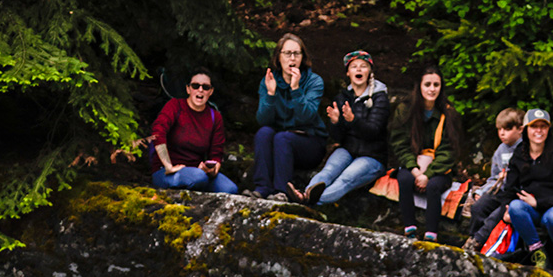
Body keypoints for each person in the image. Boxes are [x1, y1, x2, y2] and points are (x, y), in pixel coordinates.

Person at [290, 50, 389, 206]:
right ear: (348, 73)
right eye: (354, 66)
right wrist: (336, 122)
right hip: (348, 150)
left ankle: (308, 201)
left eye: (363, 66)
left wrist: (353, 120)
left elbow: (374, 131)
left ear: (370, 72)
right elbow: (338, 138)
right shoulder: (342, 97)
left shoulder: (380, 98)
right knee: (328, 172)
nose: (358, 70)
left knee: (347, 178)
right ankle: (306, 194)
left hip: (373, 156)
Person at [388, 66, 467, 242]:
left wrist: (428, 174)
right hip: (412, 163)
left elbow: (449, 150)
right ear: (420, 86)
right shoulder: (405, 109)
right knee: (405, 179)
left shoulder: (449, 113)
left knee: (433, 187)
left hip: (438, 168)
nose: (432, 89)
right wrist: (415, 170)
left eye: (436, 85)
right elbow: (400, 144)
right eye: (428, 84)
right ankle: (410, 229)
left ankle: (431, 234)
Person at [500, 109, 553, 273]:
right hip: (532, 212)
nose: (539, 131)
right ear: (526, 129)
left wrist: (538, 202)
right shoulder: (519, 154)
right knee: (515, 207)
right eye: (534, 127)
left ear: (548, 130)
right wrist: (506, 208)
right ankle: (538, 253)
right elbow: (509, 188)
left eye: (543, 127)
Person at [253, 33, 327, 201]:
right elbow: (263, 120)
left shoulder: (314, 81)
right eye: (287, 53)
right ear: (278, 57)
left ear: (303, 58)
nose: (292, 58)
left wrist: (296, 90)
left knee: (282, 138)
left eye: (297, 53)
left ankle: (282, 192)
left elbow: (306, 117)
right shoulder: (269, 80)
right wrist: (271, 94)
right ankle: (263, 188)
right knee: (264, 133)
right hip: (280, 145)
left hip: (309, 143)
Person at [149, 68, 238, 195]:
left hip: (198, 172)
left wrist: (212, 170)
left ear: (211, 91)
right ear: (188, 89)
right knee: (198, 177)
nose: (200, 90)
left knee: (230, 189)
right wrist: (168, 166)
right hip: (166, 171)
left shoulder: (215, 117)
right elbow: (158, 132)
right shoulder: (175, 106)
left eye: (205, 87)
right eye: (195, 86)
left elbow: (216, 153)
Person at [467, 108, 524, 246]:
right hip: (500, 190)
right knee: (479, 207)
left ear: (520, 129)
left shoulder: (525, 149)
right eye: (499, 129)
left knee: (496, 215)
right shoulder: (501, 150)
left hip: (516, 194)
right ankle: (472, 237)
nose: (502, 133)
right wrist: (482, 191)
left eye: (507, 129)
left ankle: (479, 242)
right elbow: (493, 178)